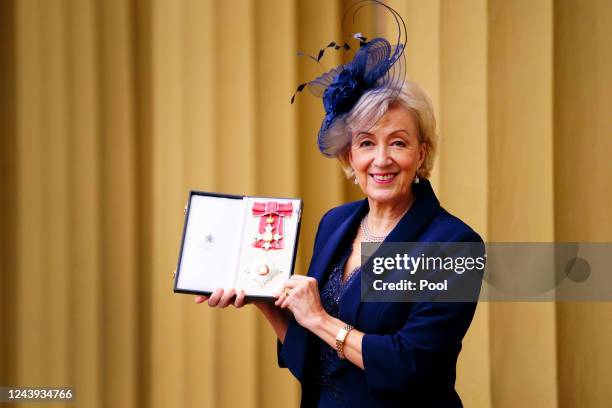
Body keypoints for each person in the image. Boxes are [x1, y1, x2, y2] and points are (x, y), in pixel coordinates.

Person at [196, 5, 483, 406]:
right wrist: (261, 296)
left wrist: (318, 318)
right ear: (349, 157)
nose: (380, 159)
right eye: (366, 143)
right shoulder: (336, 223)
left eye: (398, 142)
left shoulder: (454, 245)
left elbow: (411, 365)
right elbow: (312, 359)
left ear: (422, 153)